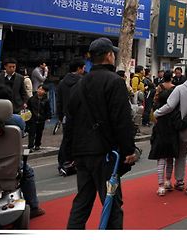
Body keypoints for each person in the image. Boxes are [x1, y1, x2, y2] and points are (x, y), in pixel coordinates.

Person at [65, 38, 136, 230]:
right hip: (104, 152)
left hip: (81, 152)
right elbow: (122, 120)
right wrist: (129, 149)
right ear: (109, 56)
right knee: (111, 202)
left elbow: (70, 121)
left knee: (82, 201)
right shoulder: (115, 82)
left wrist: (68, 152)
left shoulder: (79, 84)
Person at [154, 64, 187, 194]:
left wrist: (157, 113)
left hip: (183, 125)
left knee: (180, 155)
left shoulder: (180, 88)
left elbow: (170, 106)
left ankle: (179, 181)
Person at [0, 89, 46, 218]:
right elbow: (22, 132)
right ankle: (33, 207)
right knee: (27, 173)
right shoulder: (16, 121)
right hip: (8, 165)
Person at [149, 74, 187, 196]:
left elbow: (154, 122)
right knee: (170, 160)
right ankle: (168, 181)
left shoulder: (157, 110)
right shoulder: (175, 112)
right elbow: (180, 125)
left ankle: (160, 186)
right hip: (172, 137)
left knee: (161, 161)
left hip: (159, 137)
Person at [57, 58, 85, 175]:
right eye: (83, 68)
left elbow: (59, 102)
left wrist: (60, 116)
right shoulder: (83, 82)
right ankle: (76, 163)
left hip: (66, 116)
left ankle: (63, 163)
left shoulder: (62, 82)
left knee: (66, 140)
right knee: (80, 140)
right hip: (80, 116)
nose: (84, 70)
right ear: (79, 68)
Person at [27, 84, 51, 151]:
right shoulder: (31, 99)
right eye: (39, 89)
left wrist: (48, 117)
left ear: (45, 92)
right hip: (33, 119)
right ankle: (30, 146)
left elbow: (48, 109)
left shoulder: (46, 100)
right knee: (32, 133)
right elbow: (28, 108)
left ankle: (37, 145)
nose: (40, 91)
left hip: (41, 119)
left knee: (39, 133)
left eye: (42, 90)